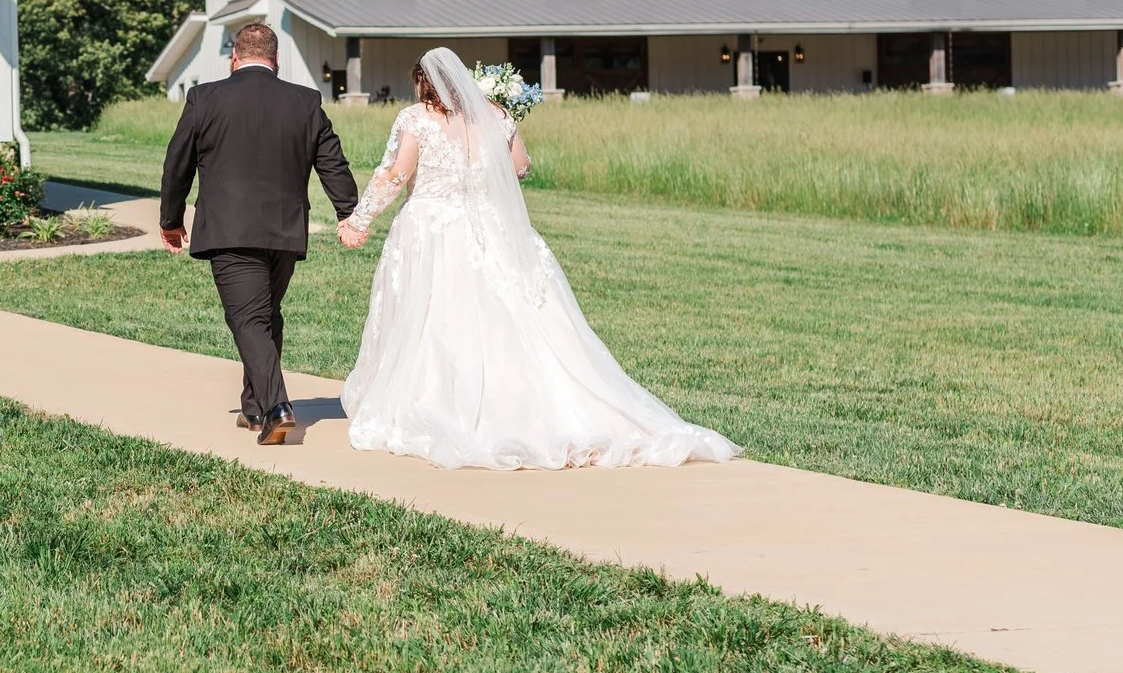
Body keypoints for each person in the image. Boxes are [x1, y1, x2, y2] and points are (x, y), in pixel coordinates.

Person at [336, 48, 737, 470]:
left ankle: (447, 403)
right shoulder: (494, 115)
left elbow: (396, 174)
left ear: (424, 83)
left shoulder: (415, 119)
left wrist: (359, 220)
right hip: (493, 226)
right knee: (511, 318)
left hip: (433, 227)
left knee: (439, 316)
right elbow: (521, 167)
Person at [160, 23, 360, 445]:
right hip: (285, 232)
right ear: (276, 60)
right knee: (265, 316)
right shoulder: (305, 101)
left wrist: (171, 219)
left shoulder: (204, 97)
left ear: (234, 58)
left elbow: (177, 162)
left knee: (248, 318)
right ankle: (253, 408)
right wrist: (348, 213)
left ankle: (276, 407)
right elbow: (333, 163)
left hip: (229, 231)